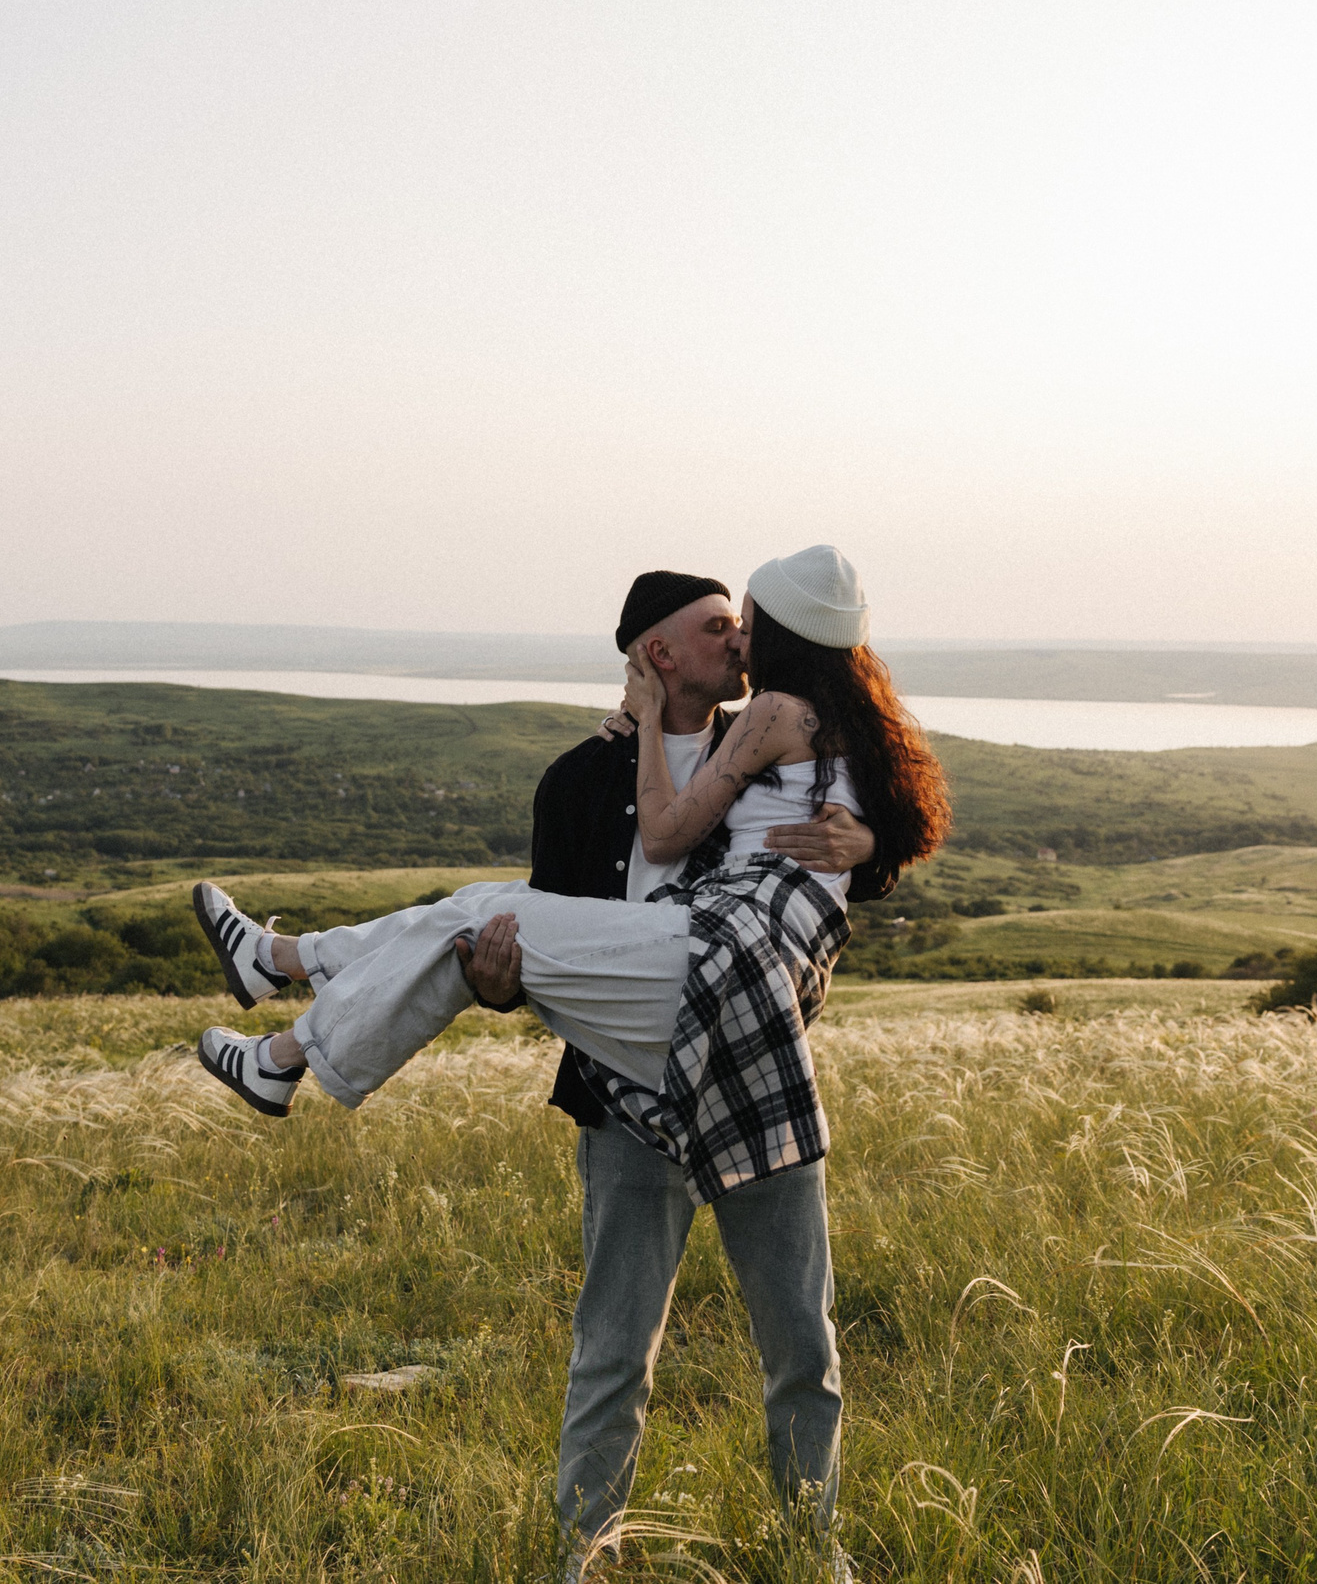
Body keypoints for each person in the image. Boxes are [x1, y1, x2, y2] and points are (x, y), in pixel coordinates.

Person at [186, 545, 951, 1568]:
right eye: (715, 626)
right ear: (657, 653)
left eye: (744, 621)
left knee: (798, 1351)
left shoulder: (764, 728)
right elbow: (533, 961)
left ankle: (279, 994)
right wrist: (499, 983)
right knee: (612, 1357)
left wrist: (866, 849)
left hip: (735, 1035)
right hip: (630, 1075)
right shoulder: (584, 780)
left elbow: (808, 826)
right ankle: (593, 1558)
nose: (735, 638)